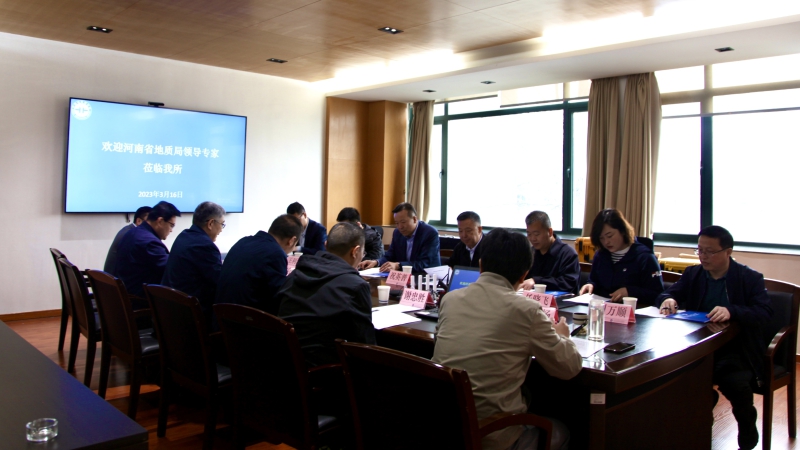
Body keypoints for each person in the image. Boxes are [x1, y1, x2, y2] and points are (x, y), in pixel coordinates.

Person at [432, 228, 582, 450]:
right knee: (562, 431)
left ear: (481, 265)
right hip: (490, 435)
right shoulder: (526, 310)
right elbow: (569, 368)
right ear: (524, 275)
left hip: (443, 426)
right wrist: (563, 337)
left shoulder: (450, 300)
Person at [657, 226, 772, 450]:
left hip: (736, 348)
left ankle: (747, 431)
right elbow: (667, 293)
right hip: (697, 346)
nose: (703, 256)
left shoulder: (749, 278)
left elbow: (765, 313)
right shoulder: (693, 274)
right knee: (674, 378)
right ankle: (697, 422)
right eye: (699, 250)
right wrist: (668, 299)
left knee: (735, 383)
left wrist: (732, 311)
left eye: (710, 251)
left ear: (728, 252)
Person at [277, 222, 376, 367]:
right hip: (326, 370)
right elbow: (365, 345)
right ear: (355, 251)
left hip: (286, 363)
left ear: (325, 245)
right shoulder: (355, 285)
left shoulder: (296, 274)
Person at [215, 214, 302, 315]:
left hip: (221, 315)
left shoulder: (244, 241)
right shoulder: (275, 253)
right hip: (243, 319)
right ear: (292, 240)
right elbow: (279, 297)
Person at [579, 209, 663, 305]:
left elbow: (657, 294)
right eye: (601, 238)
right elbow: (594, 280)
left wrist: (629, 292)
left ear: (623, 231)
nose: (606, 242)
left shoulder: (645, 257)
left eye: (609, 236)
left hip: (633, 310)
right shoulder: (600, 255)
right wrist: (590, 285)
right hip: (602, 307)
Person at [161, 201, 225, 312]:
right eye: (222, 224)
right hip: (191, 313)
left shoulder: (183, 236)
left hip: (170, 309)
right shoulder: (205, 246)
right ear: (210, 223)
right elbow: (220, 281)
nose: (221, 230)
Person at [116, 201, 181, 307]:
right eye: (171, 225)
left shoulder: (132, 232)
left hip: (126, 297)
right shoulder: (150, 243)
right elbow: (171, 270)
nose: (171, 230)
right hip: (142, 303)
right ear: (160, 221)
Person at [359, 202, 440, 273]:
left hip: (428, 277)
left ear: (414, 219)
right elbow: (390, 256)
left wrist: (398, 265)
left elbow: (424, 263)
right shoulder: (397, 233)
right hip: (404, 277)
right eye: (397, 223)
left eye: (403, 222)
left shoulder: (429, 233)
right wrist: (376, 262)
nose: (400, 227)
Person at [520, 211, 580, 294]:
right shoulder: (530, 253)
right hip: (532, 299)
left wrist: (536, 281)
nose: (533, 239)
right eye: (529, 234)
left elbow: (568, 283)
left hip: (562, 300)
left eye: (536, 234)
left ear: (550, 232)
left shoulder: (568, 254)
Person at [103, 206, 151, 275]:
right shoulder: (132, 235)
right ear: (138, 221)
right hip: (116, 278)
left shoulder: (128, 230)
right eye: (150, 222)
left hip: (112, 277)